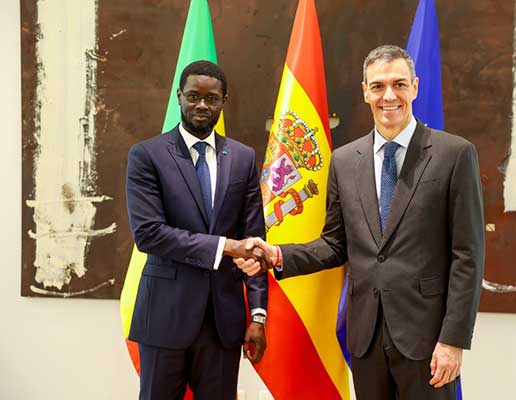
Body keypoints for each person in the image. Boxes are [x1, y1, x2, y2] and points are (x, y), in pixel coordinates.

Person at [236, 45, 484, 400]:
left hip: (428, 340)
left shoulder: (454, 155)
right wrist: (276, 254)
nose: (389, 96)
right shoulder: (343, 161)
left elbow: (467, 255)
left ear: (415, 87)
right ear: (365, 91)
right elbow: (334, 244)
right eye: (378, 86)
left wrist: (453, 340)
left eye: (399, 84)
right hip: (366, 339)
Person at [125, 60, 270, 400]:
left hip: (223, 323)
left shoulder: (243, 158)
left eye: (212, 98)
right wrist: (226, 247)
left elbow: (255, 242)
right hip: (164, 318)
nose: (202, 105)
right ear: (179, 96)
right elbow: (149, 234)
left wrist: (258, 315)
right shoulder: (147, 155)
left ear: (223, 101)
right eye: (193, 96)